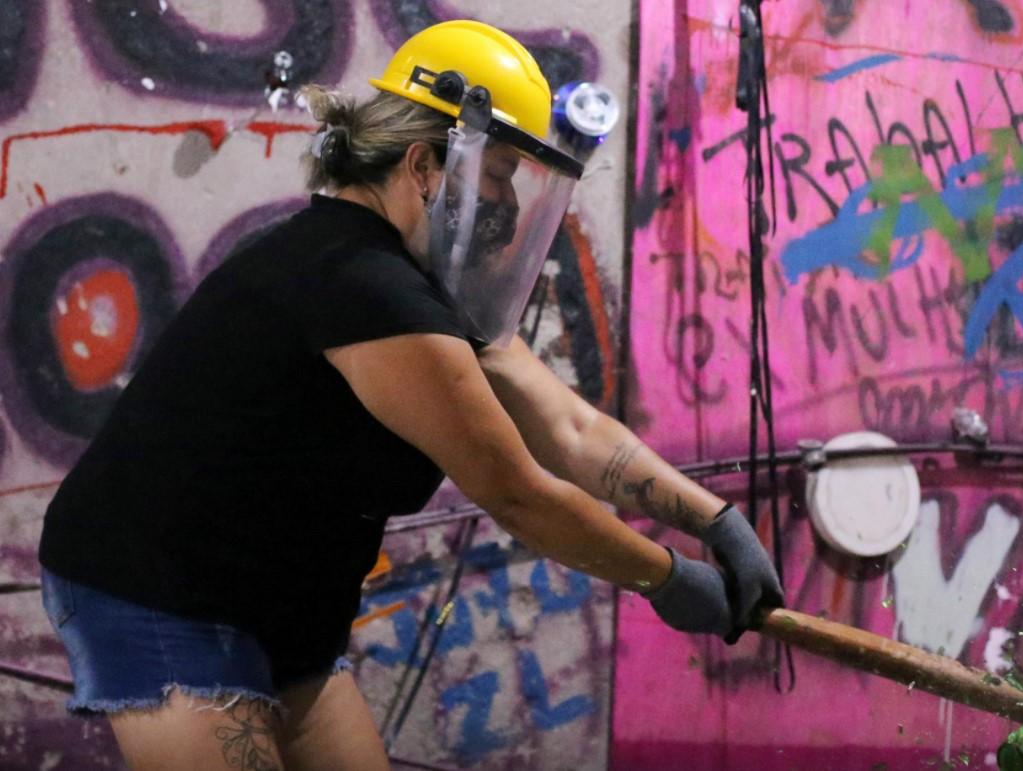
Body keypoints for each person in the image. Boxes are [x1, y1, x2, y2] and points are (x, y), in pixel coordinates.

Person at [37, 19, 782, 771]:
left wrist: (713, 519)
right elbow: (519, 492)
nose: (504, 206)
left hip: (285, 605)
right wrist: (663, 576)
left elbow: (570, 429)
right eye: (495, 176)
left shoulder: (421, 280)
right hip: (157, 591)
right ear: (427, 164)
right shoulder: (364, 287)